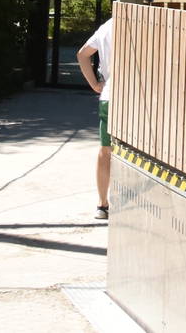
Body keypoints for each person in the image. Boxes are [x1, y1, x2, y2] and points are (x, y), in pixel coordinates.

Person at [76, 16, 114, 219]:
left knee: (105, 150)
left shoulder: (106, 27)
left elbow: (82, 54)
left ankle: (102, 204)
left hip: (109, 95)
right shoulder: (143, 22)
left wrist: (95, 84)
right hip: (135, 97)